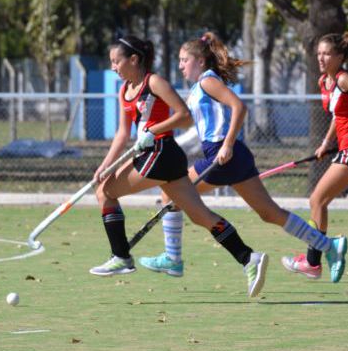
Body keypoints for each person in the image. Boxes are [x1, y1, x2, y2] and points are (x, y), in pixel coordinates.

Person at [138, 32, 347, 281]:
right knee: (270, 213)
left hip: (222, 154)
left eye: (185, 60)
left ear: (201, 62)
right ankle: (328, 246)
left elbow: (240, 107)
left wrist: (226, 145)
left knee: (169, 192)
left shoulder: (207, 81)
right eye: (180, 61)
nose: (181, 65)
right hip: (233, 155)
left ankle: (173, 259)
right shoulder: (198, 88)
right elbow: (200, 128)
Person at [90, 36, 269, 298]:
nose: (114, 67)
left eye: (117, 62)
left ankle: (121, 256)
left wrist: (154, 129)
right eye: (111, 63)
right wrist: (105, 166)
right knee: (200, 216)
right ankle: (248, 258)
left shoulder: (154, 82)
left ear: (133, 59)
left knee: (105, 193)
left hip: (161, 153)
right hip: (158, 157)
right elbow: (121, 134)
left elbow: (183, 116)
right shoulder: (124, 91)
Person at [280, 31, 348, 279]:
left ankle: (313, 261)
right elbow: (338, 117)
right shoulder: (323, 82)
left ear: (339, 56)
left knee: (317, 200)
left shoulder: (344, 79)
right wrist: (326, 142)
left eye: (327, 53)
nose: (321, 58)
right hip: (347, 149)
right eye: (319, 53)